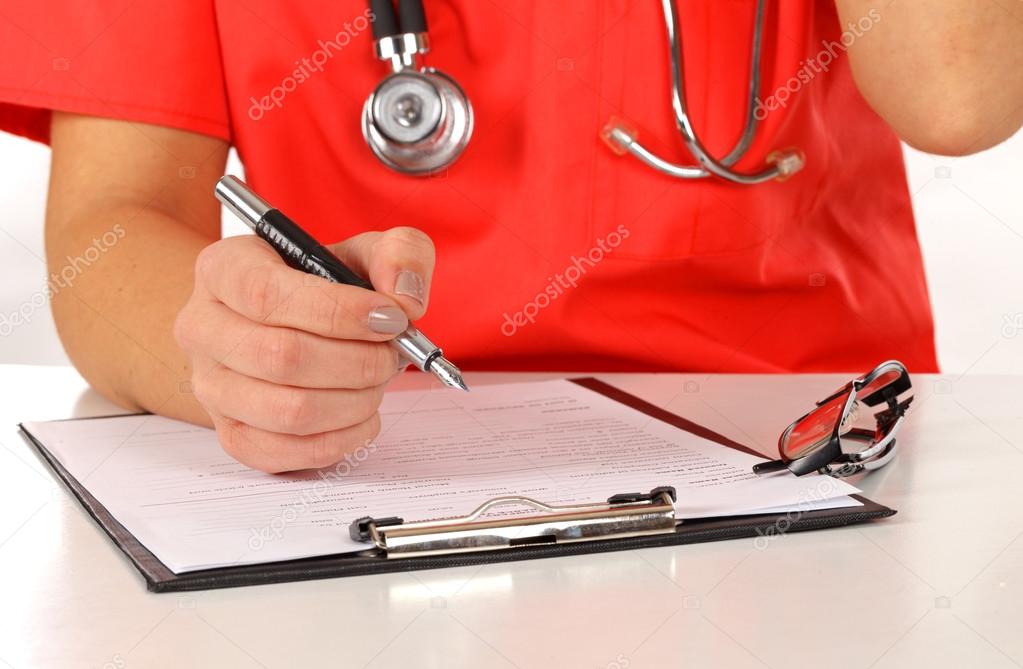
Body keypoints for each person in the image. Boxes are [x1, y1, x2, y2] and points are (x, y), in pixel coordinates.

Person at [1, 2, 1021, 473]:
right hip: (380, 473)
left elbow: (958, 88)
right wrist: (245, 357)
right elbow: (112, 224)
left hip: (808, 453)